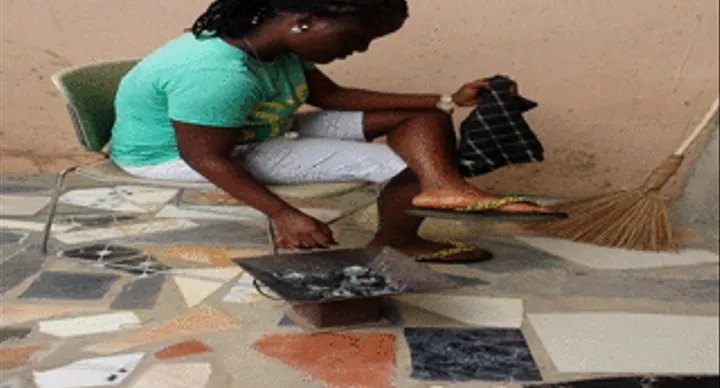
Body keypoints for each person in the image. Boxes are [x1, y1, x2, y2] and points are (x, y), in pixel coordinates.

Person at [109, 0, 552, 263]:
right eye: (357, 38)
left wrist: (446, 100)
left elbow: (332, 97)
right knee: (412, 162)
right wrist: (283, 213)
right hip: (171, 154)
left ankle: (441, 187)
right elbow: (205, 157)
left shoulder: (270, 46)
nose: (359, 49)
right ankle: (401, 239)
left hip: (247, 129)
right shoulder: (218, 73)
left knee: (428, 122)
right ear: (305, 20)